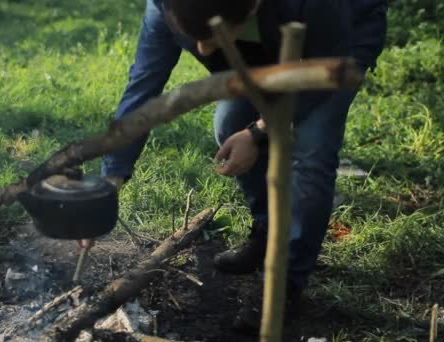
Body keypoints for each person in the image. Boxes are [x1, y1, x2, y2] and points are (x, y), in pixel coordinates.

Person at [97, 0, 387, 331]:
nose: (203, 49)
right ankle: (268, 231)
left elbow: (325, 73)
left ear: (251, 7)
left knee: (311, 151)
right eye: (193, 36)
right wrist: (111, 180)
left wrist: (258, 132)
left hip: (333, 53)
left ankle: (285, 282)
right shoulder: (168, 7)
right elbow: (144, 88)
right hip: (257, 53)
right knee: (228, 125)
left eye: (210, 35)